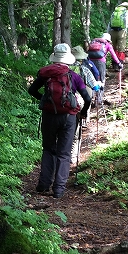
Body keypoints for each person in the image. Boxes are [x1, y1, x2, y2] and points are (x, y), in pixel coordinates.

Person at [28, 43, 91, 199]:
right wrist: (83, 112)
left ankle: (43, 184)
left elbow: (32, 90)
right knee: (64, 153)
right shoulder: (74, 76)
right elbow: (87, 98)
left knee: (48, 149)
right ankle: (58, 189)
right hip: (69, 117)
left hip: (49, 116)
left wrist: (44, 100)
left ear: (55, 58)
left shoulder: (46, 74)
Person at [72, 45, 103, 113]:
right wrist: (99, 85)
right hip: (80, 96)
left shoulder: (64, 68)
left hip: (66, 97)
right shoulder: (84, 69)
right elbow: (95, 85)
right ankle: (85, 115)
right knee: (87, 97)